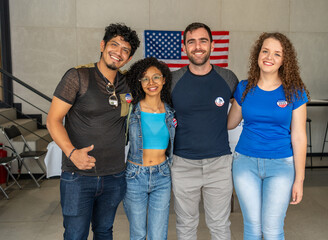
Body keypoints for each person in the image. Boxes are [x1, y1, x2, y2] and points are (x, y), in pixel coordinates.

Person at [46, 23, 140, 240]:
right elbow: (53, 120)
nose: (118, 52)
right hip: (78, 177)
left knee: (105, 231)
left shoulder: (128, 83)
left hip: (115, 175)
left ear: (129, 57)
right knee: (75, 234)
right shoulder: (78, 76)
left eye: (125, 50)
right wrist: (71, 153)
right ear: (102, 45)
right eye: (114, 45)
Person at [228, 32, 309, 240]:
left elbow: (299, 137)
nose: (269, 57)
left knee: (273, 230)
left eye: (276, 54)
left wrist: (299, 179)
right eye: (265, 51)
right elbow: (230, 123)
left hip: (281, 166)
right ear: (257, 54)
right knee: (253, 227)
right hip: (244, 163)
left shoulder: (294, 91)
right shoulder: (244, 88)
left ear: (284, 60)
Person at [171, 22, 239, 240]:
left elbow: (243, 108)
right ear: (184, 47)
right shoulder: (172, 81)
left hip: (219, 164)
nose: (197, 46)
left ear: (212, 44)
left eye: (203, 41)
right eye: (191, 41)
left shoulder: (228, 78)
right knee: (186, 224)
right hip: (182, 164)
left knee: (219, 224)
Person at [123, 57, 176, 240]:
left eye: (155, 77)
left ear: (164, 79)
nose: (151, 83)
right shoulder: (132, 110)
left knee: (158, 235)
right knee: (138, 234)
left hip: (162, 175)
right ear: (139, 82)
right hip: (135, 175)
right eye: (145, 78)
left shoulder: (171, 112)